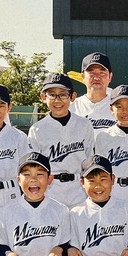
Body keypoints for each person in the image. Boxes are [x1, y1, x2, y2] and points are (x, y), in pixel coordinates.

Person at [28, 73, 95, 208]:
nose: (57, 100)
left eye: (63, 94)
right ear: (43, 97)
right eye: (52, 94)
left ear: (72, 97)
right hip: (51, 188)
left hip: (79, 188)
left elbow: (90, 160)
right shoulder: (37, 129)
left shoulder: (84, 125)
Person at [70, 52, 118, 132]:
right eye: (91, 73)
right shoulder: (71, 108)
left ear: (110, 77)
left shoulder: (120, 107)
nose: (96, 77)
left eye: (102, 73)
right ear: (83, 77)